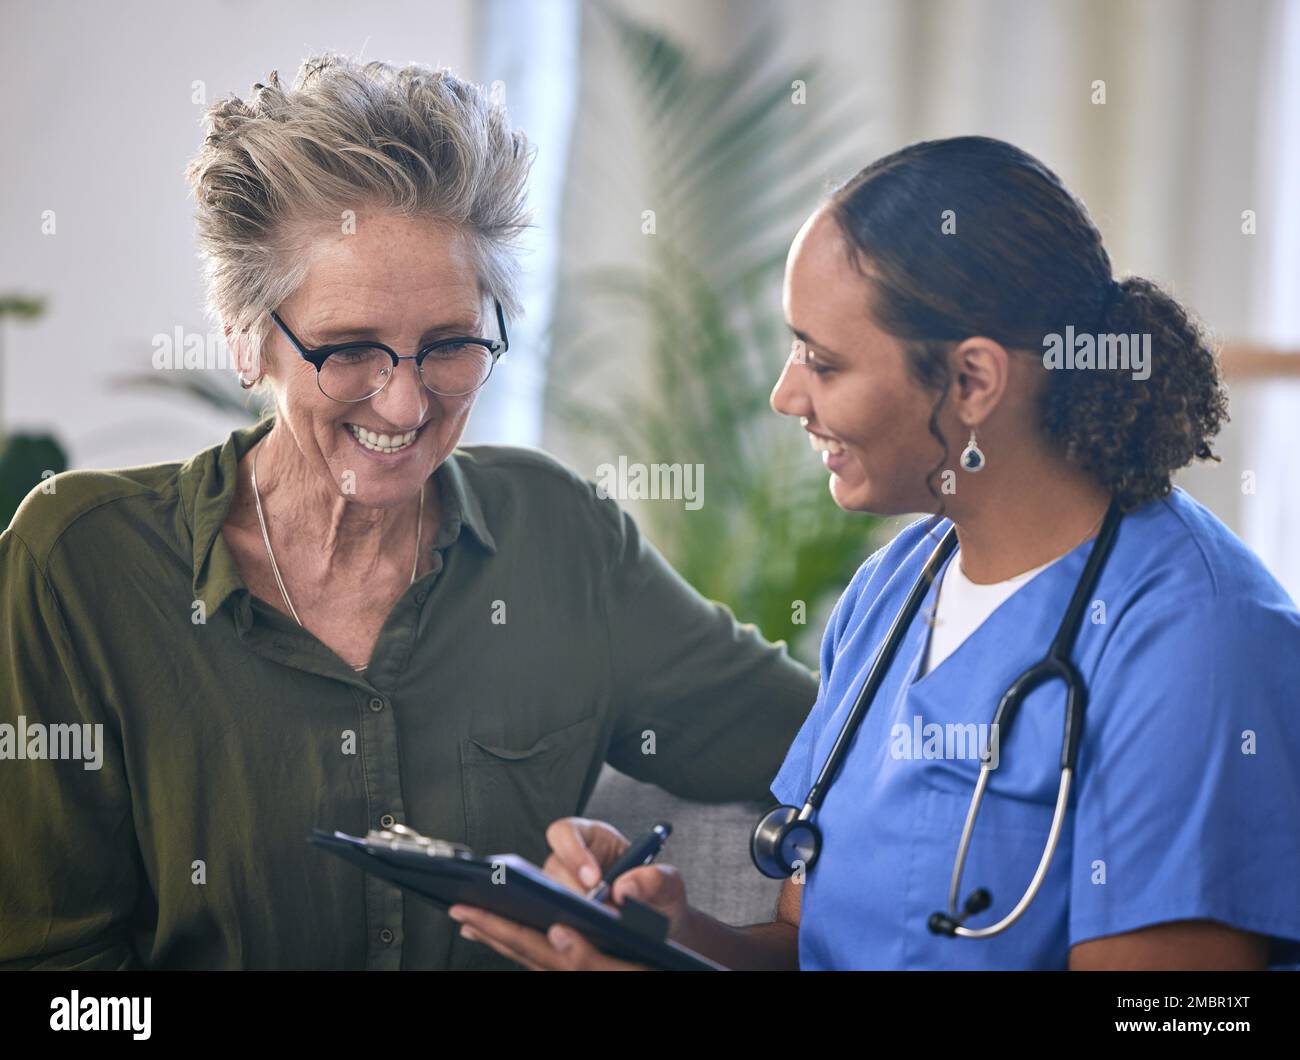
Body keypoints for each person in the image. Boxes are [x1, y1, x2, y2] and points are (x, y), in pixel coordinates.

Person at [0, 54, 817, 970]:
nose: (404, 405)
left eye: (449, 345)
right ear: (244, 338)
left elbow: (838, 752)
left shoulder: (562, 538)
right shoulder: (79, 563)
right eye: (350, 351)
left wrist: (767, 936)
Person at [451, 136, 1300, 971]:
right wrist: (669, 936)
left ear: (971, 381)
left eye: (822, 362)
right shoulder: (893, 591)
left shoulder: (1202, 641)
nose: (788, 396)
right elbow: (806, 946)